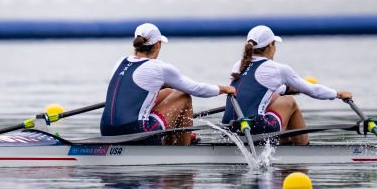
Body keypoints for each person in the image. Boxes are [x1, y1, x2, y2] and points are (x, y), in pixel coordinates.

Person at [102, 23, 236, 145]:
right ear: (158, 44)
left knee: (169, 92)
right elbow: (196, 89)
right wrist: (224, 89)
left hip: (106, 130)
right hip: (136, 132)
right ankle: (182, 148)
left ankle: (175, 137)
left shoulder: (120, 62)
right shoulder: (159, 68)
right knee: (183, 96)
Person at [222, 25, 352, 145]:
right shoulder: (278, 69)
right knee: (289, 102)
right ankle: (303, 149)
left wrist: (287, 89)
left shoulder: (238, 65)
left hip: (229, 128)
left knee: (275, 97)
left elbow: (256, 89)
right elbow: (313, 90)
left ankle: (285, 144)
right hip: (254, 129)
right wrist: (338, 94)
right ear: (271, 45)